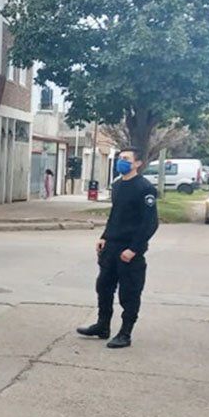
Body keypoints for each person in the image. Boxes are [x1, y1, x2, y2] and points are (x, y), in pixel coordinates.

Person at [77, 148, 158, 349]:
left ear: (137, 163)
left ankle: (125, 333)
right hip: (111, 246)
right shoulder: (118, 185)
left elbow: (150, 223)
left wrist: (134, 249)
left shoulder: (144, 188)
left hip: (129, 249)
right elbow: (116, 215)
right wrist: (104, 236)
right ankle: (102, 325)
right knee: (103, 286)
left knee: (129, 293)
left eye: (126, 159)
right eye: (120, 158)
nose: (121, 162)